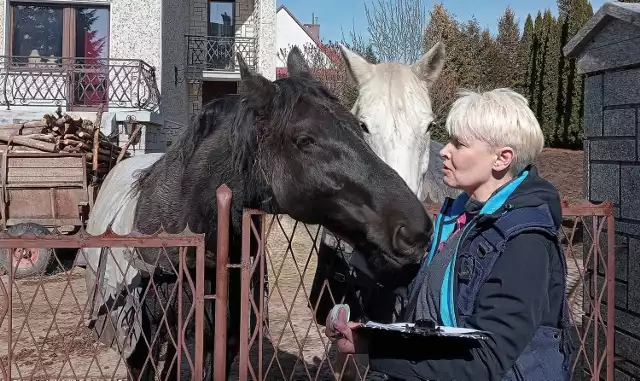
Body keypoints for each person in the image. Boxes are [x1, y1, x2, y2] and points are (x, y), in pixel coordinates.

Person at [325, 88, 574, 381]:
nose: (444, 149)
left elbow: (485, 358)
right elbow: (427, 297)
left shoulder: (524, 242)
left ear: (501, 158)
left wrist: (380, 354)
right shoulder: (462, 219)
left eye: (459, 143)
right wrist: (367, 339)